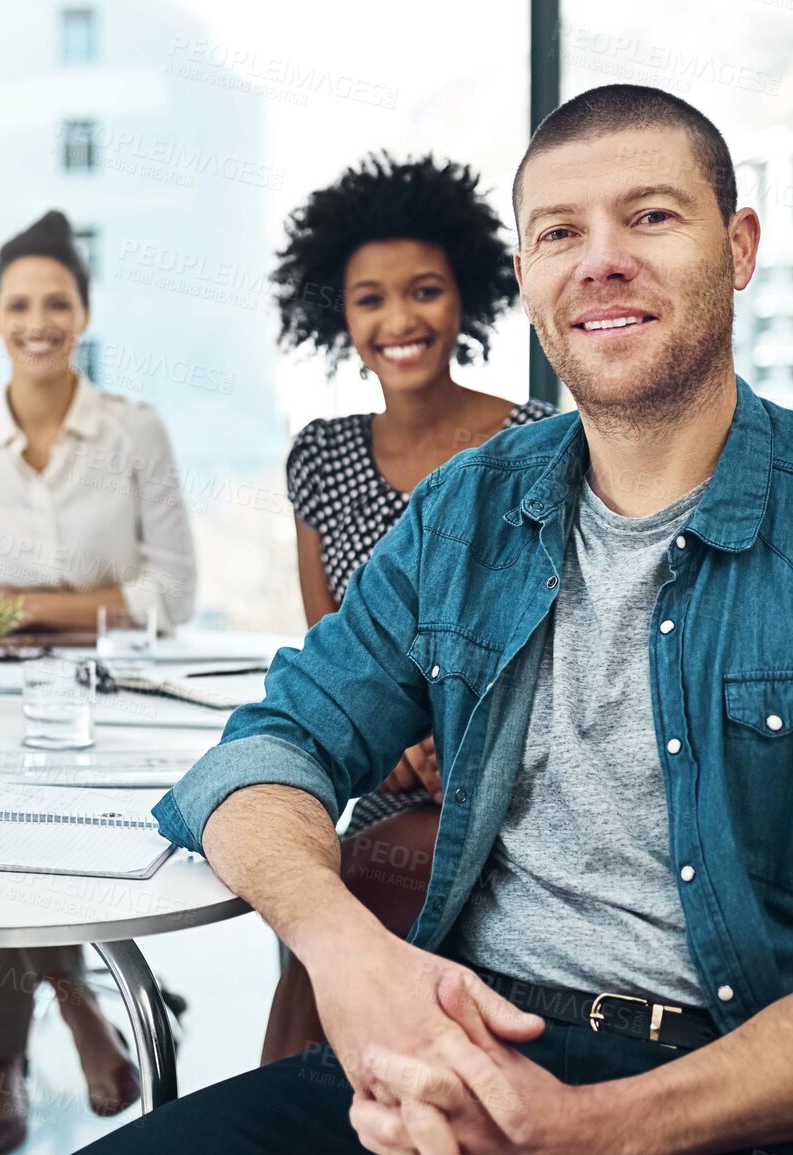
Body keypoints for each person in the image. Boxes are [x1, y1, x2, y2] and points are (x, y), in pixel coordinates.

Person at [83, 84, 793, 1155]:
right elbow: (269, 747)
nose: (603, 261)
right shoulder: (467, 509)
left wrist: (588, 1129)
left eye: (651, 217)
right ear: (529, 278)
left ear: (740, 245)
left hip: (742, 1100)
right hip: (467, 1058)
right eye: (561, 233)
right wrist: (348, 957)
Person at [0, 209, 196, 1153]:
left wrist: (21, 603)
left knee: (28, 837)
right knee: (1, 840)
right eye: (19, 303)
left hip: (104, 691)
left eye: (56, 301)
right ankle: (68, 1005)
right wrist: (72, 600)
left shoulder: (133, 432)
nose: (39, 320)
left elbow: (175, 590)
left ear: (84, 311)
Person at [262, 154, 558, 1064]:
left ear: (463, 297)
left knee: (353, 899)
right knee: (306, 883)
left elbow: (558, 654)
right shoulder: (321, 454)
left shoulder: (536, 442)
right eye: (369, 300)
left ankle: (281, 1110)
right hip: (373, 786)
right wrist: (390, 747)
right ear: (337, 317)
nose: (397, 320)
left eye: (423, 291)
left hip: (508, 792)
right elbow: (332, 653)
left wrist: (455, 751)